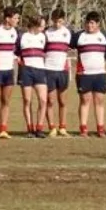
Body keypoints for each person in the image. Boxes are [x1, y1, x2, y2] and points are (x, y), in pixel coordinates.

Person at [72, 12, 106, 137]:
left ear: (98, 24)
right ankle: (83, 128)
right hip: (84, 74)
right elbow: (67, 46)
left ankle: (100, 128)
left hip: (100, 73)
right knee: (85, 100)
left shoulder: (104, 36)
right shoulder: (79, 36)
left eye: (92, 23)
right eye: (88, 23)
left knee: (99, 100)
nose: (89, 25)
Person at [0, 7, 21, 139]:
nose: (17, 20)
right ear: (7, 19)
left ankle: (3, 129)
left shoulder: (16, 32)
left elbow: (18, 49)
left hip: (9, 70)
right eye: (15, 18)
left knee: (6, 101)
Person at [43, 9, 74, 137]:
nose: (57, 24)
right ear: (52, 20)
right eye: (55, 21)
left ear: (63, 20)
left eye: (60, 21)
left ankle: (62, 127)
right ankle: (52, 127)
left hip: (63, 70)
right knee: (50, 101)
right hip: (49, 69)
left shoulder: (68, 33)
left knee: (63, 101)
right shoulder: (46, 33)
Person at [18, 16, 50, 138]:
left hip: (40, 70)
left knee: (43, 100)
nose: (43, 28)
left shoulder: (43, 36)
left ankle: (39, 128)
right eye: (42, 25)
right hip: (26, 70)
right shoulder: (22, 36)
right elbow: (16, 51)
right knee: (27, 100)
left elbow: (45, 51)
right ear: (35, 25)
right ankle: (30, 128)